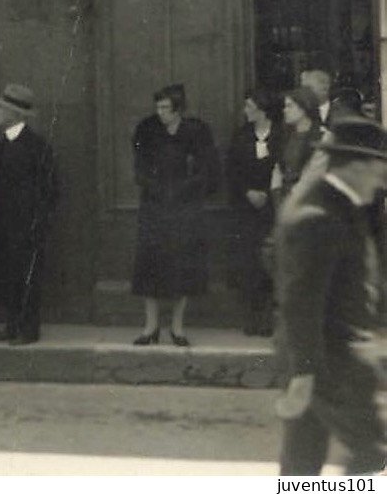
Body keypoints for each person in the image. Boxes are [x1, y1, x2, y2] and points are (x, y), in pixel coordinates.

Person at [274, 111, 387, 476]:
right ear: (355, 165)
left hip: (321, 356)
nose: (382, 177)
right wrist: (304, 373)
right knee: (373, 452)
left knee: (302, 461)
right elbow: (300, 301)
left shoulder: (342, 206)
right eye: (377, 166)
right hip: (327, 360)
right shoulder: (319, 217)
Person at [131, 83, 219, 348]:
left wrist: (184, 189)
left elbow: (206, 169)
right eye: (157, 107)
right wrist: (155, 187)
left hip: (185, 208)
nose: (160, 113)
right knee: (150, 266)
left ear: (178, 110)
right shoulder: (147, 130)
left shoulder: (196, 131)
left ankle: (177, 327)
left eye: (165, 108)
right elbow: (139, 167)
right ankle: (151, 326)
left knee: (183, 268)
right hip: (155, 206)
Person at [0, 83, 58, 345]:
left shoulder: (36, 146)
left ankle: (28, 329)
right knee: (8, 275)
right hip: (3, 222)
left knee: (27, 277)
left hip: (27, 225)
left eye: (2, 109)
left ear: (15, 114)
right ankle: (11, 324)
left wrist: (37, 222)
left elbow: (49, 189)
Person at [225, 88, 282, 337]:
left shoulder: (281, 136)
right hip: (247, 208)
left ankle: (269, 318)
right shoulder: (241, 136)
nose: (245, 111)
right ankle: (251, 318)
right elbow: (232, 170)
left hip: (272, 208)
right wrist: (247, 192)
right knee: (249, 263)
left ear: (262, 109)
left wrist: (268, 195)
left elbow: (284, 169)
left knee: (270, 263)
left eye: (249, 107)